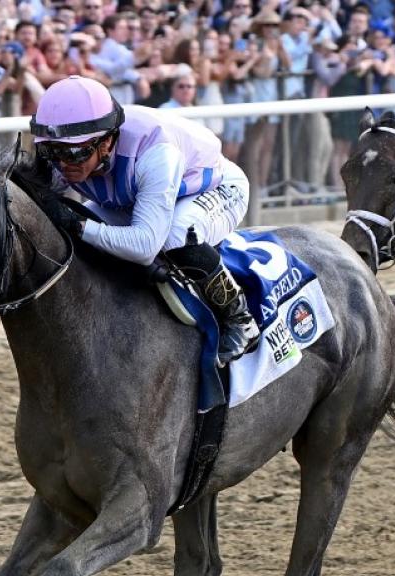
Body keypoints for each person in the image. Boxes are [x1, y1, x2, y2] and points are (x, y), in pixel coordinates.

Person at [29, 76, 260, 366]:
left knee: (175, 235)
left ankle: (239, 319)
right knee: (79, 237)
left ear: (108, 140)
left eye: (75, 152)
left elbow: (145, 246)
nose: (63, 164)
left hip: (213, 188)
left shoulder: (155, 152)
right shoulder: (72, 152)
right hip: (135, 196)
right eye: (53, 151)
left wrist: (78, 224)